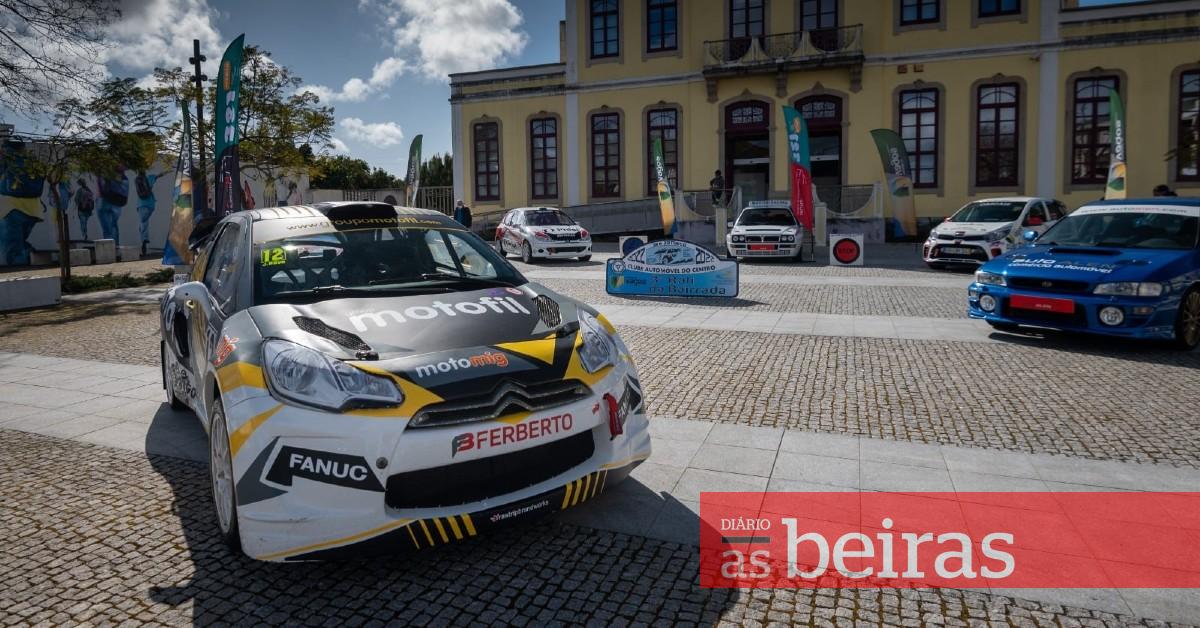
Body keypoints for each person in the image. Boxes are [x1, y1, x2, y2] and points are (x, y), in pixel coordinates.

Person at [135, 168, 163, 256]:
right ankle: (144, 239)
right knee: (145, 222)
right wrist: (167, 171)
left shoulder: (137, 180)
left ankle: (144, 240)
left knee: (142, 223)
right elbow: (159, 175)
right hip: (151, 205)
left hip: (141, 204)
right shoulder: (150, 178)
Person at [96, 168, 128, 244]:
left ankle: (110, 248)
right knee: (113, 225)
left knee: (108, 229)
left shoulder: (102, 167)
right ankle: (114, 247)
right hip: (116, 199)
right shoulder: (119, 172)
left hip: (105, 199)